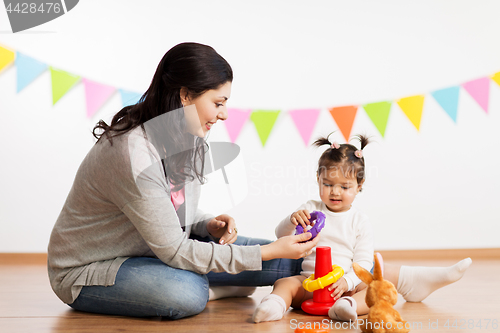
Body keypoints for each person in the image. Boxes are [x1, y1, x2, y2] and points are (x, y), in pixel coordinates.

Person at [47, 42, 320, 320]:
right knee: (187, 292)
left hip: (152, 250)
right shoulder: (133, 153)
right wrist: (267, 251)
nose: (224, 114)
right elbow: (175, 249)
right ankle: (214, 285)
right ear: (186, 96)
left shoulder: (186, 136)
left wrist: (205, 223)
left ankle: (222, 281)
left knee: (299, 263)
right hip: (88, 270)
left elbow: (168, 213)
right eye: (218, 103)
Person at [253, 134, 472, 323]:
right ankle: (273, 306)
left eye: (345, 186)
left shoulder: (359, 221)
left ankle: (347, 307)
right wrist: (292, 220)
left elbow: (364, 262)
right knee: (285, 283)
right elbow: (280, 236)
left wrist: (347, 282)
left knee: (376, 290)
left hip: (343, 286)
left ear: (360, 185)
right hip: (308, 283)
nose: (335, 192)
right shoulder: (309, 209)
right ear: (318, 179)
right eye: (327, 184)